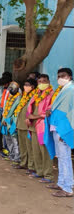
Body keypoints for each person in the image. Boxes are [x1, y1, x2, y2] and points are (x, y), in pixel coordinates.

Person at [44, 68, 74, 197]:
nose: (60, 78)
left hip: (63, 129)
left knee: (65, 158)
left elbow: (72, 113)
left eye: (63, 75)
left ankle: (67, 189)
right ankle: (63, 183)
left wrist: (67, 132)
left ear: (70, 76)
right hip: (56, 127)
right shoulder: (64, 90)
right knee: (61, 157)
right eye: (58, 76)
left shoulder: (71, 90)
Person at [26, 74, 54, 183]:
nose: (42, 83)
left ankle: (48, 175)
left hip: (43, 125)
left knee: (45, 151)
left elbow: (50, 111)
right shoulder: (36, 93)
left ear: (49, 82)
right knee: (35, 150)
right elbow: (30, 108)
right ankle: (39, 171)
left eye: (44, 81)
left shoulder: (52, 94)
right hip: (33, 125)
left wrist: (35, 116)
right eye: (40, 81)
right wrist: (28, 117)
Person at [14, 78, 37, 172]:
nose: (25, 87)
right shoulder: (24, 96)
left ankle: (31, 166)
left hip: (28, 126)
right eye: (25, 85)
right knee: (22, 146)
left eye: (27, 85)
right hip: (20, 124)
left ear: (33, 87)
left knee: (29, 147)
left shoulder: (35, 97)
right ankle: (23, 163)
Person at [1, 82, 21, 165]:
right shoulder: (9, 96)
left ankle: (17, 158)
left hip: (12, 122)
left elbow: (16, 111)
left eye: (14, 89)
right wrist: (4, 119)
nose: (12, 90)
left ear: (17, 89)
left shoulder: (19, 98)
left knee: (15, 141)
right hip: (6, 120)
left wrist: (9, 120)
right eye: (11, 88)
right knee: (8, 139)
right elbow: (6, 109)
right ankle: (12, 155)